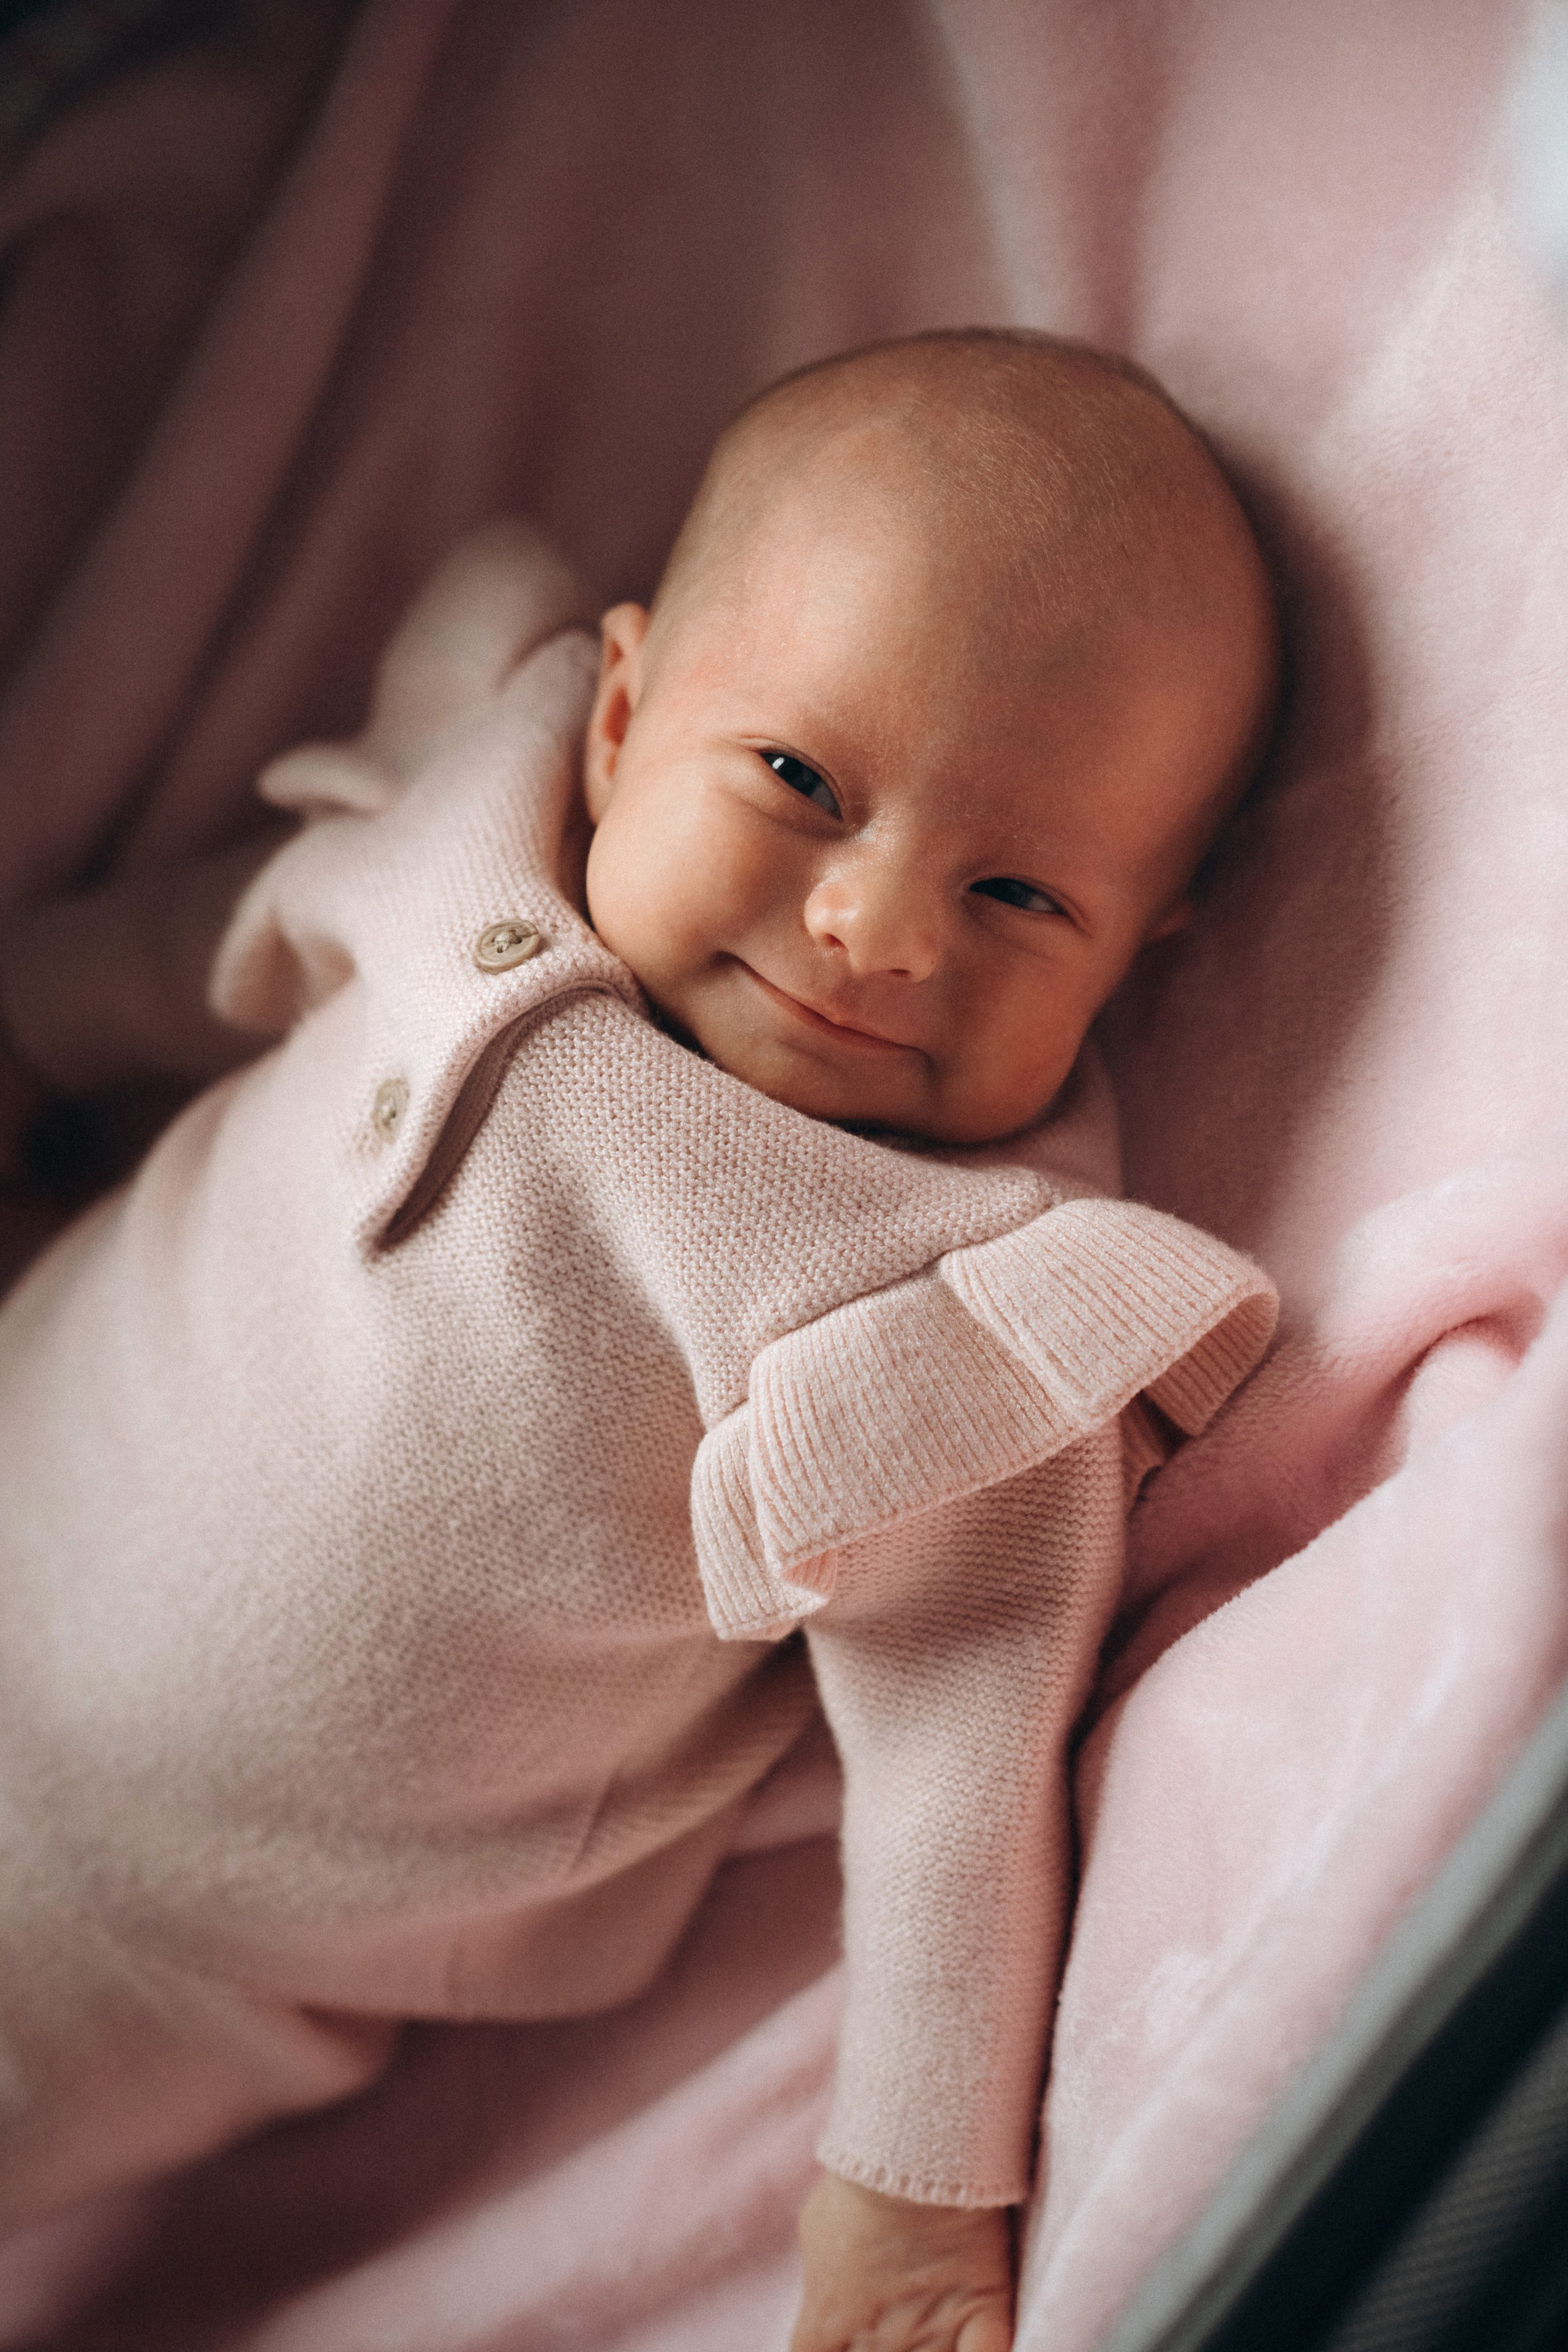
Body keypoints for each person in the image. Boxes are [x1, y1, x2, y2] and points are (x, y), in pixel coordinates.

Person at [0, 329, 1278, 2352]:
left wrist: (912, 2204)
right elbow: (208, 957)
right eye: (799, 780)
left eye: (1021, 891)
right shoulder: (460, 855)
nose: (874, 922)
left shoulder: (935, 1299)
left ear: (1145, 954)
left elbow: (958, 1766)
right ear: (617, 716)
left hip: (146, 1945)